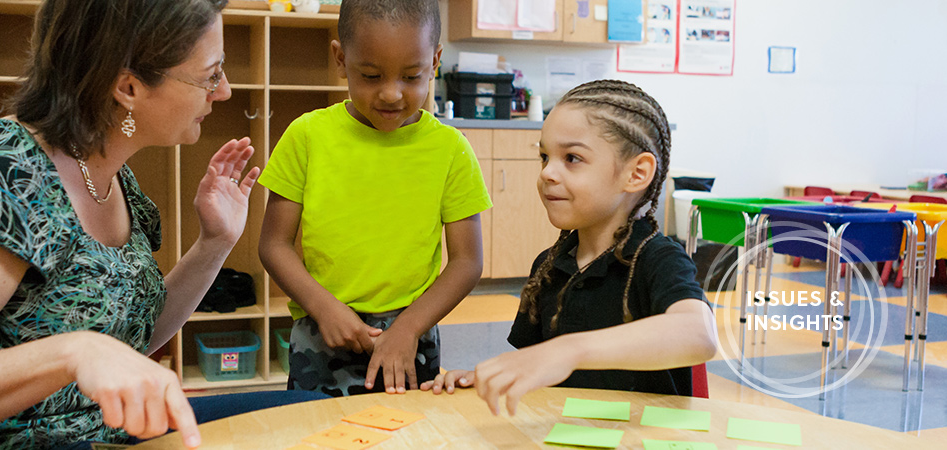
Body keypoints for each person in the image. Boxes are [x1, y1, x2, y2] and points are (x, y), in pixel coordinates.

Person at [0, 1, 326, 449]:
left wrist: (214, 244)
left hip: (104, 433)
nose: (222, 92)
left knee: (318, 417)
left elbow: (128, 341)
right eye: (211, 75)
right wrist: (71, 353)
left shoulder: (111, 178)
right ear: (129, 87)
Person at [420, 80, 718, 415]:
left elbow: (699, 334)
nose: (548, 172)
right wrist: (492, 376)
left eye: (572, 158)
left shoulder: (656, 258)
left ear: (636, 173)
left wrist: (570, 350)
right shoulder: (548, 266)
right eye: (544, 157)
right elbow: (537, 365)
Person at [257, 0, 491, 397]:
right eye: (370, 75)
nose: (391, 93)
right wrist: (325, 309)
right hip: (322, 329)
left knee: (408, 433)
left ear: (435, 61)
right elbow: (273, 244)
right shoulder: (307, 136)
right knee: (318, 436)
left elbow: (467, 262)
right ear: (340, 58)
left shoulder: (452, 149)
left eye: (412, 75)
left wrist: (409, 328)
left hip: (411, 333)